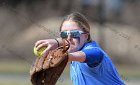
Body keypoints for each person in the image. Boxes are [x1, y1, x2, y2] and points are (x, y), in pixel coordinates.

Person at [34, 12, 125, 85]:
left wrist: (64, 57)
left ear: (86, 36)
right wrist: (57, 42)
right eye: (64, 34)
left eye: (74, 34)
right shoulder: (75, 47)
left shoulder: (95, 52)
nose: (68, 38)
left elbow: (86, 55)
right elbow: (69, 41)